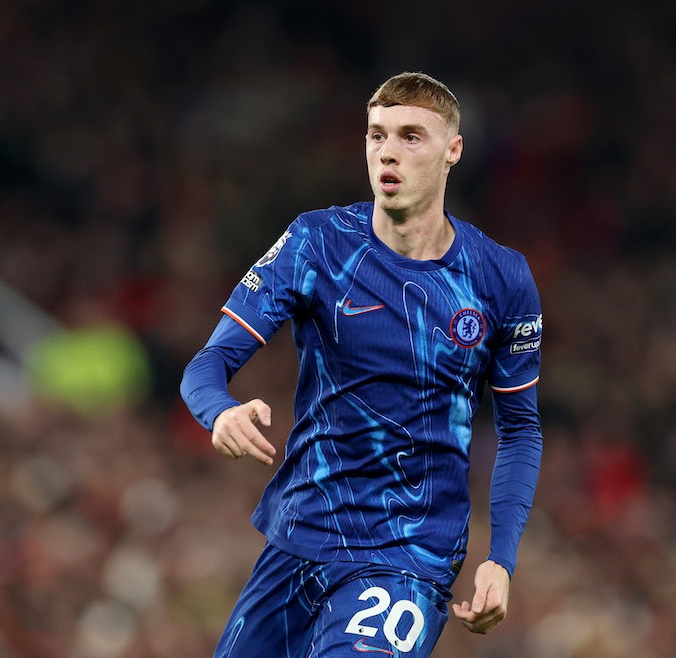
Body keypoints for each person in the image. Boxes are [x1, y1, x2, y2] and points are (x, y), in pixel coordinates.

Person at [180, 71, 544, 657]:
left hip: (408, 552)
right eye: (376, 135)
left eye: (410, 136)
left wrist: (501, 558)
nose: (387, 152)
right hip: (301, 534)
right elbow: (208, 362)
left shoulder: (500, 278)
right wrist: (219, 412)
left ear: (453, 150)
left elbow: (521, 429)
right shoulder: (316, 244)